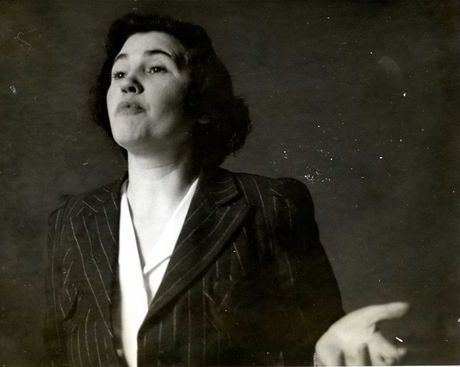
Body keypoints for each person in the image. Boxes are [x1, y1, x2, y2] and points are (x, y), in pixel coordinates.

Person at [43, 13, 409, 367]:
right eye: (118, 72)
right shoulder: (71, 223)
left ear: (202, 102)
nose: (128, 82)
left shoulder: (270, 205)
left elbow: (316, 347)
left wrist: (326, 356)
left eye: (156, 68)